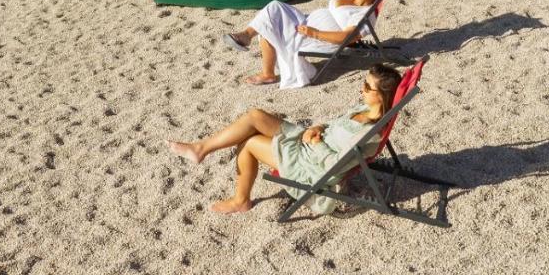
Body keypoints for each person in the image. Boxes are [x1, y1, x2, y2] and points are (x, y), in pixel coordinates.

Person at [167, 63, 403, 215]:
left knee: (248, 143)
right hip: (310, 142)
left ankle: (240, 199)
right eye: (363, 82)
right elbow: (335, 124)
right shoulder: (364, 107)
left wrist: (317, 143)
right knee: (254, 116)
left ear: (382, 96)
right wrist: (318, 128)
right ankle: (201, 149)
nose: (361, 88)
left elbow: (333, 164)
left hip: (310, 164)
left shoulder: (367, 134)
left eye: (367, 86)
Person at [223, 0, 394, 88]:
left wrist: (314, 33)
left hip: (318, 38)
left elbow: (346, 38)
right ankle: (248, 39)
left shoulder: (364, 15)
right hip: (305, 21)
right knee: (273, 11)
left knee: (270, 23)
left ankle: (262, 64)